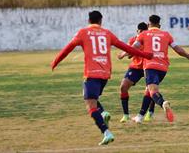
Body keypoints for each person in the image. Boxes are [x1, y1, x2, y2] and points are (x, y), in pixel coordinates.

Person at [50, 11, 152, 145]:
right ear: (100, 21)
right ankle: (103, 113)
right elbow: (126, 47)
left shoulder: (83, 33)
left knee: (90, 105)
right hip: (105, 74)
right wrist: (145, 55)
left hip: (92, 73)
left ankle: (106, 132)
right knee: (90, 97)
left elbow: (67, 48)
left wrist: (55, 61)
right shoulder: (107, 33)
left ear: (89, 20)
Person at [132, 15, 189, 123]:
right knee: (149, 90)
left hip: (150, 66)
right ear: (159, 25)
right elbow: (177, 49)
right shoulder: (166, 35)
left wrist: (124, 53)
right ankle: (140, 116)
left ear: (148, 24)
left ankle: (163, 103)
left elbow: (133, 47)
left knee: (152, 91)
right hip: (163, 68)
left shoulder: (143, 34)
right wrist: (188, 55)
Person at [118, 22, 156, 123]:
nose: (142, 34)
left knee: (151, 89)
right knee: (123, 87)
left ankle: (150, 112)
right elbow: (130, 53)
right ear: (137, 31)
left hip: (148, 66)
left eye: (144, 32)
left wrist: (122, 55)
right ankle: (126, 115)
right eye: (140, 32)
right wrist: (128, 53)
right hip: (135, 67)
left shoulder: (150, 40)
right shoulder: (133, 40)